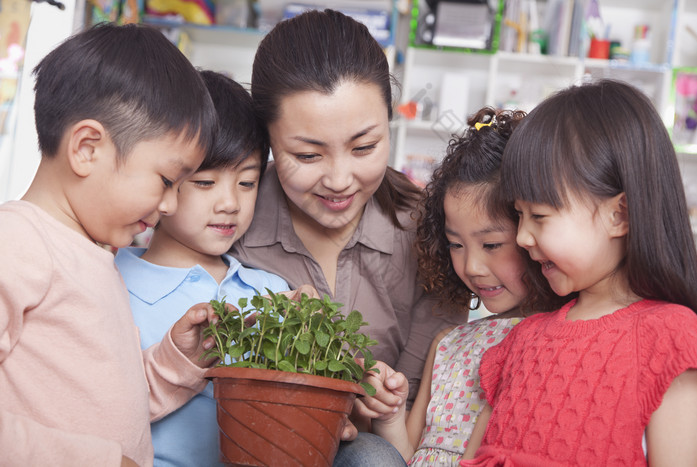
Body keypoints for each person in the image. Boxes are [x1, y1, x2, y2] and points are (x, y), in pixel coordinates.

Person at [0, 23, 221, 466]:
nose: (172, 204)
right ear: (86, 148)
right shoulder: (18, 242)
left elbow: (107, 405)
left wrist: (175, 362)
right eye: (166, 180)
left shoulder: (96, 258)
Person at [231, 8, 462, 414]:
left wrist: (379, 405)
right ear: (266, 140)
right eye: (307, 154)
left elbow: (418, 404)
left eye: (364, 148)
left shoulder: (429, 230)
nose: (339, 180)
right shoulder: (229, 216)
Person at [461, 79, 697, 466]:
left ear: (618, 214)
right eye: (519, 215)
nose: (522, 236)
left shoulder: (669, 338)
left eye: (539, 216)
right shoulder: (523, 340)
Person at [355, 108, 568, 466]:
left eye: (491, 245)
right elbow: (408, 455)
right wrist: (389, 415)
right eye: (455, 244)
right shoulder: (449, 344)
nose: (470, 266)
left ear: (532, 233)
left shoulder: (559, 336)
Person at [115, 70, 295, 467]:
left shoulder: (272, 292)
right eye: (205, 182)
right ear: (165, 178)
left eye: (246, 183)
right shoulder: (113, 281)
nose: (229, 202)